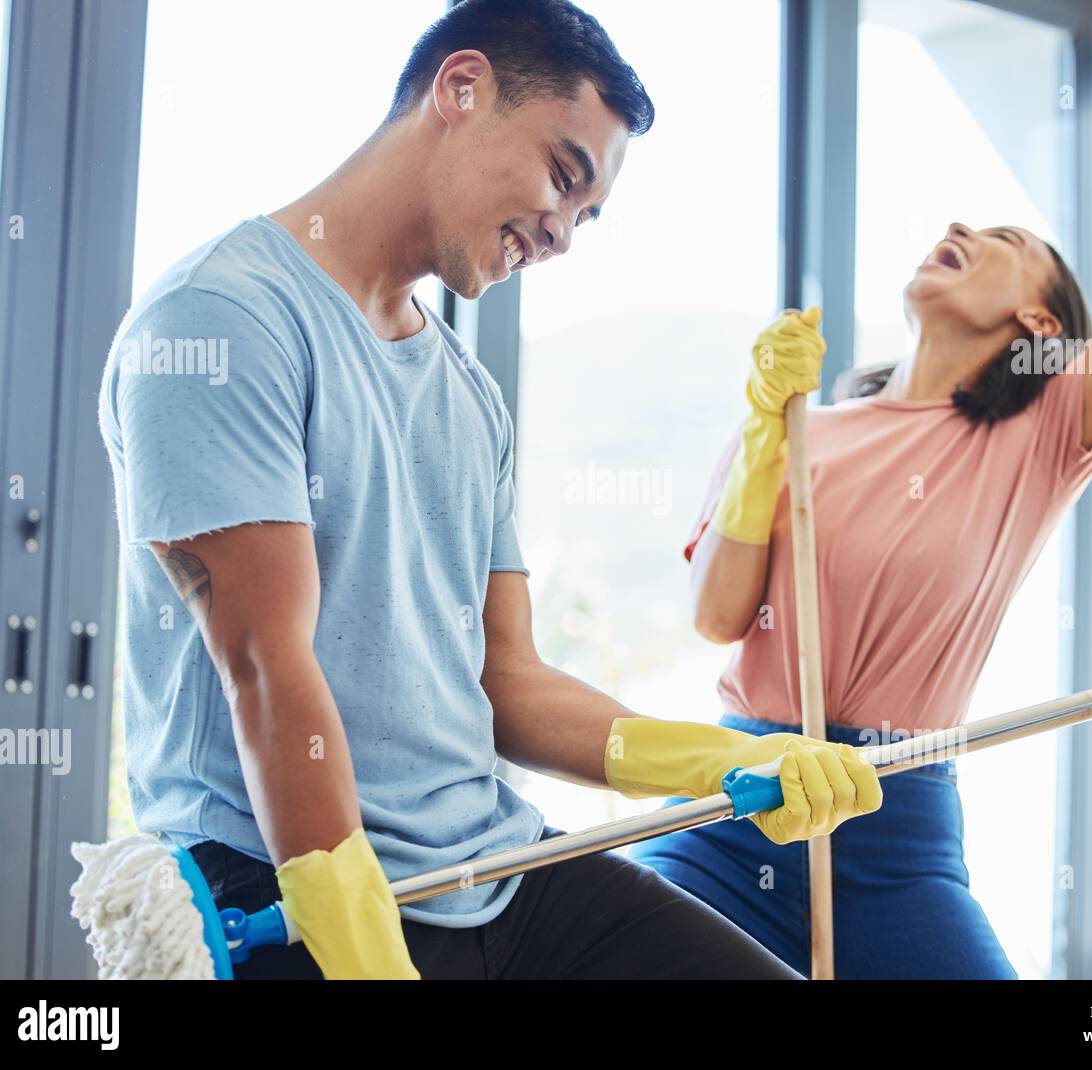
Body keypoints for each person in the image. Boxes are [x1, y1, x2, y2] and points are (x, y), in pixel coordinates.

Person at [97, 0, 881, 981]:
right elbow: (266, 667)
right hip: (282, 881)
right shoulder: (225, 320)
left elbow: (505, 681)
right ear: (460, 88)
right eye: (564, 175)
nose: (562, 234)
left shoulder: (468, 397)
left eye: (587, 216)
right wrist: (365, 955)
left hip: (496, 863)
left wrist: (721, 761)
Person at [630, 96, 1092, 979]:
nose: (963, 225)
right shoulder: (798, 426)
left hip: (898, 841)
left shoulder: (1047, 429)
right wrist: (764, 433)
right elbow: (719, 616)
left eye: (1007, 239)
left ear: (1042, 327)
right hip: (743, 808)